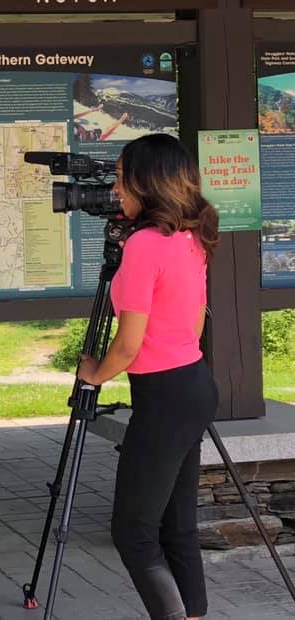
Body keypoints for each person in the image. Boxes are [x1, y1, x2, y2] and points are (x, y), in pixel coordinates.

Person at [77, 134, 220, 620]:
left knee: (134, 530)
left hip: (163, 395)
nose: (116, 188)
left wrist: (94, 374)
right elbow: (196, 321)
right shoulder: (191, 236)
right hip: (194, 383)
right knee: (177, 524)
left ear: (148, 182)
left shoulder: (142, 244)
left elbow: (128, 343)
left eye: (121, 178)